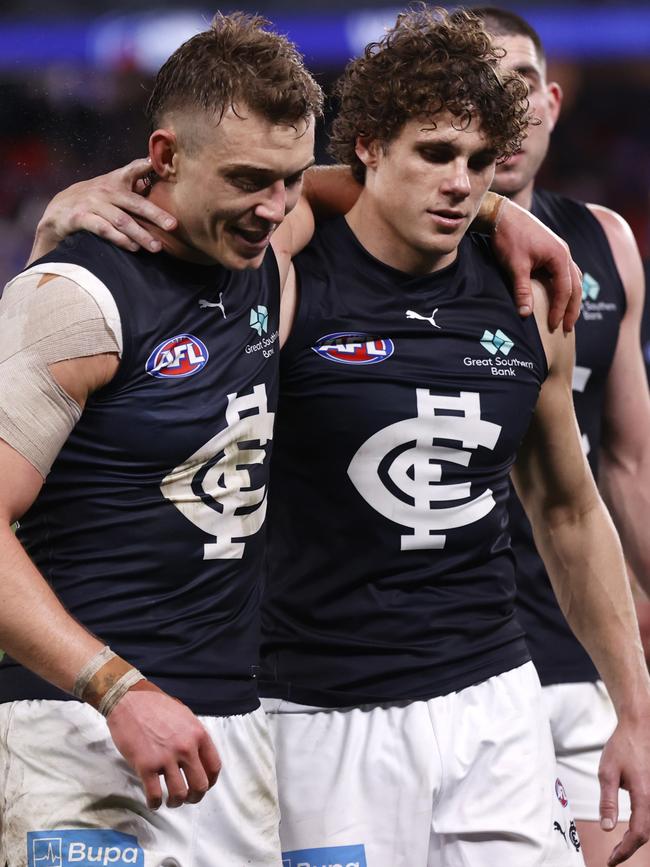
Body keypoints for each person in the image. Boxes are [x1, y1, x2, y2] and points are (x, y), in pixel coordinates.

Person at [26, 7, 650, 866]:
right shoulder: (281, 270)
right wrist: (71, 208)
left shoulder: (532, 292)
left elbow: (571, 506)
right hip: (313, 711)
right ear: (365, 148)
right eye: (435, 155)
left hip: (495, 696)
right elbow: (228, 203)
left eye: (478, 164)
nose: (462, 184)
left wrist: (638, 709)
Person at [0, 12, 323, 866]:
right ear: (165, 157)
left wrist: (509, 217)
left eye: (290, 178)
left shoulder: (266, 267)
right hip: (76, 722)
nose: (274, 206)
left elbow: (365, 187)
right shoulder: (72, 297)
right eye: (250, 178)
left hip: (226, 737)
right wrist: (118, 689)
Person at [471, 8, 650, 866]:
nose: (503, 116)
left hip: (576, 657)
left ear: (552, 101)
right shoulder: (374, 248)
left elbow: (627, 463)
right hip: (428, 662)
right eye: (475, 90)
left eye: (517, 89)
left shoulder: (607, 244)